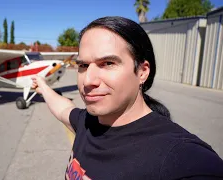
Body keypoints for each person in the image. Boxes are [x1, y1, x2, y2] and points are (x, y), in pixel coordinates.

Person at [31, 16, 223, 180]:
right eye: (83, 66)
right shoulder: (86, 123)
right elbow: (64, 109)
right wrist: (43, 87)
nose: (88, 80)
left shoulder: (180, 157)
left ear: (142, 72)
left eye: (107, 63)